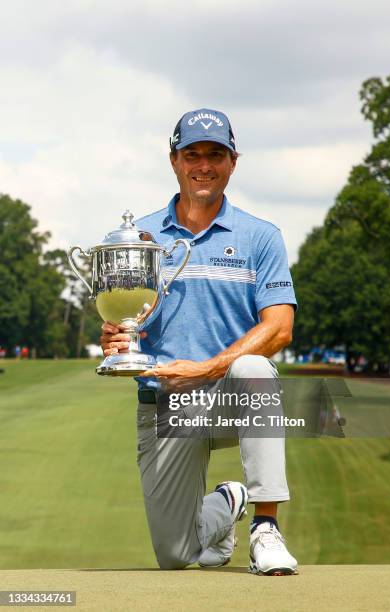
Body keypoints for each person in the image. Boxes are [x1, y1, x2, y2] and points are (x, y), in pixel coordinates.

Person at [100, 108, 298, 575]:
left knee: (253, 368)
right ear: (174, 160)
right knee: (176, 555)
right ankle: (228, 504)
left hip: (233, 394)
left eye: (216, 154)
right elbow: (127, 315)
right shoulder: (139, 237)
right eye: (193, 154)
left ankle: (265, 529)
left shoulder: (261, 237)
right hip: (166, 402)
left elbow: (280, 328)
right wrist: (116, 335)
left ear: (233, 162)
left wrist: (208, 368)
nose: (203, 165)